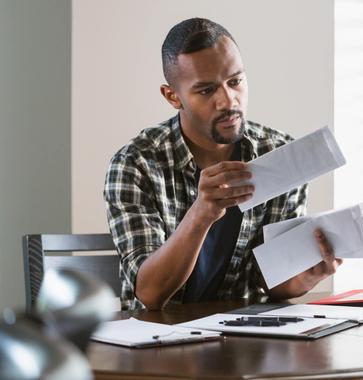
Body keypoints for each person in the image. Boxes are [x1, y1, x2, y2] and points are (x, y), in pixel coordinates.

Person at [104, 18, 341, 311]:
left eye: (235, 82)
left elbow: (270, 282)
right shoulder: (135, 165)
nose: (228, 101)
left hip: (245, 339)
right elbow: (150, 295)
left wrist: (306, 277)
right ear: (172, 96)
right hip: (157, 341)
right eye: (206, 91)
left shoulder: (277, 152)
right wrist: (201, 213)